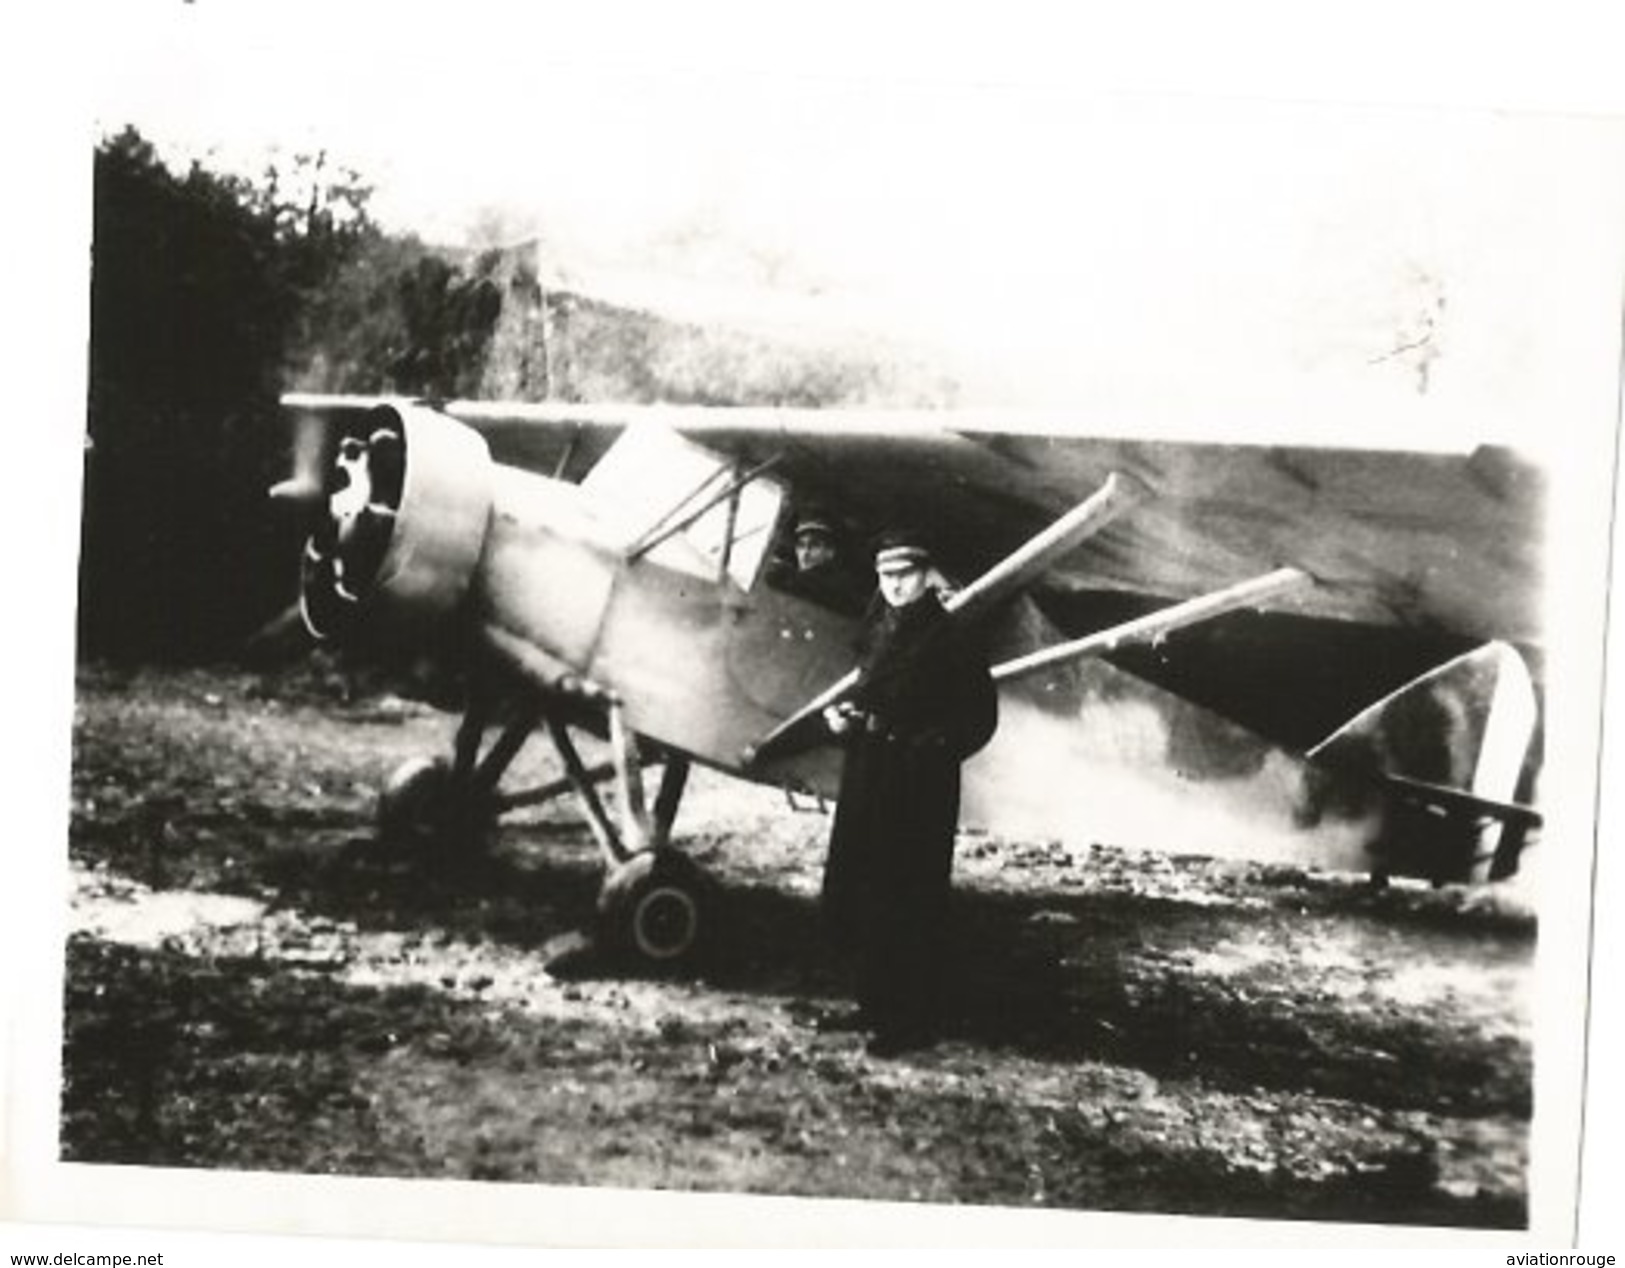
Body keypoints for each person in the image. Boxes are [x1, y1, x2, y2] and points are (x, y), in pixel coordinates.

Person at [818, 530, 999, 1055]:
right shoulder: (878, 629)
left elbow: (978, 719)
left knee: (910, 899)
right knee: (868, 889)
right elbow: (870, 694)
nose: (894, 586)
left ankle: (910, 1022)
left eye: (904, 576)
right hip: (870, 773)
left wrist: (930, 748)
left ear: (925, 577)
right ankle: (872, 1006)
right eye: (886, 577)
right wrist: (845, 720)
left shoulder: (953, 637)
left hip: (918, 785)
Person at [774, 513, 868, 613]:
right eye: (801, 545)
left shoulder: (838, 586)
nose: (805, 553)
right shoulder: (792, 580)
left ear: (830, 552)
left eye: (814, 545)